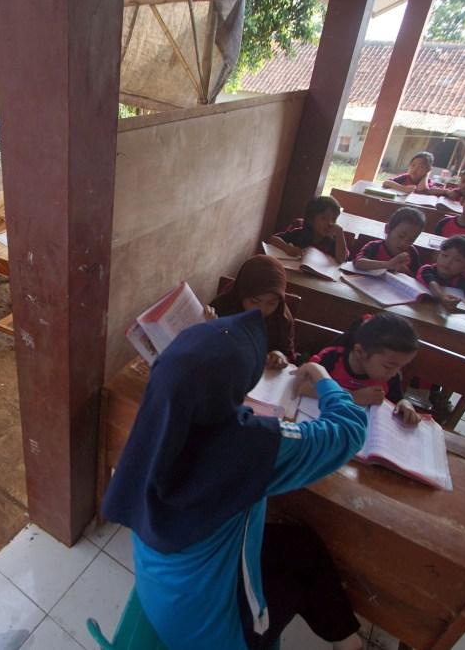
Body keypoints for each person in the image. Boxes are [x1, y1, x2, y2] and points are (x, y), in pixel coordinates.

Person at [102, 310, 367, 650]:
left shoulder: (158, 418)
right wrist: (321, 375)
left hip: (163, 601)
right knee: (304, 570)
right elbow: (349, 432)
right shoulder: (249, 445)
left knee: (300, 544)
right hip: (219, 637)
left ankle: (348, 642)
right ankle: (350, 644)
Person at [303, 313, 421, 425]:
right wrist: (353, 397)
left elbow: (397, 400)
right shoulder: (332, 358)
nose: (395, 373)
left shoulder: (390, 377)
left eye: (401, 366)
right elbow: (301, 386)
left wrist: (405, 404)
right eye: (388, 366)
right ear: (360, 352)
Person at [210, 255, 296, 368]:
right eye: (254, 301)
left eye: (271, 303)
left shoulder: (281, 318)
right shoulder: (222, 306)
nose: (261, 310)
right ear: (242, 294)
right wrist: (209, 328)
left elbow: (288, 354)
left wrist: (280, 356)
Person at [266, 196, 348, 262]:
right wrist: (287, 248)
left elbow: (341, 259)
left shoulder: (333, 241)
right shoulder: (300, 234)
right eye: (324, 218)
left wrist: (340, 233)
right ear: (311, 220)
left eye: (333, 219)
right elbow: (272, 239)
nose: (329, 223)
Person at [351, 207, 425, 275]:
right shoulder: (374, 247)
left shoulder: (412, 253)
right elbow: (358, 263)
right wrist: (388, 264)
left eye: (411, 240)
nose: (404, 243)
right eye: (401, 236)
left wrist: (406, 272)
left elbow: (418, 276)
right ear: (388, 229)